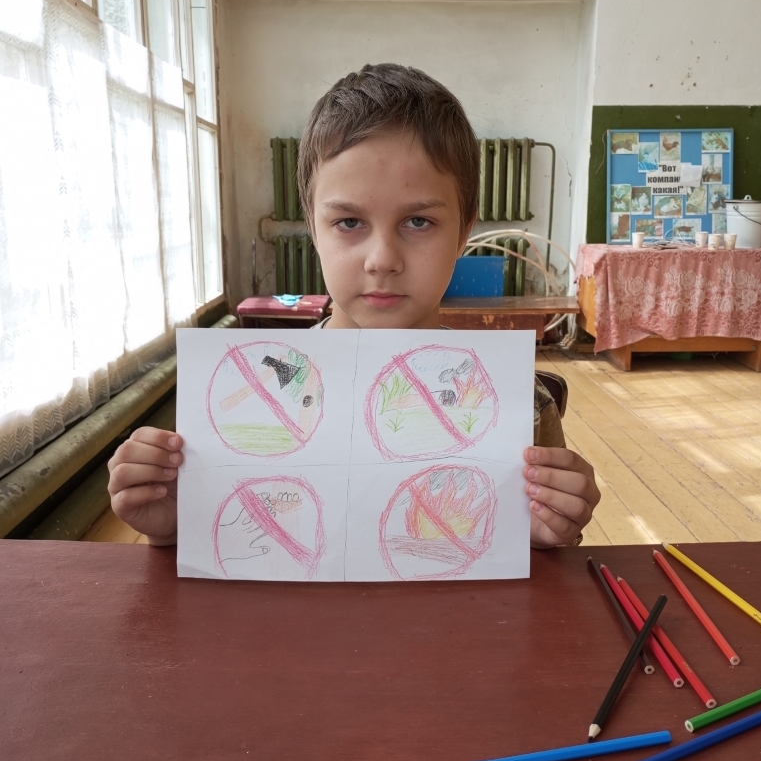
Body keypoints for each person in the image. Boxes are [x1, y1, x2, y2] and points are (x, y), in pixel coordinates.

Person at [108, 63, 600, 549]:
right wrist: (176, 526)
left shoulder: (521, 406)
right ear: (313, 227)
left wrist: (549, 534)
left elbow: (533, 561)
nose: (382, 259)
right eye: (348, 222)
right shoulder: (252, 399)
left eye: (419, 222)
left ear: (463, 232)